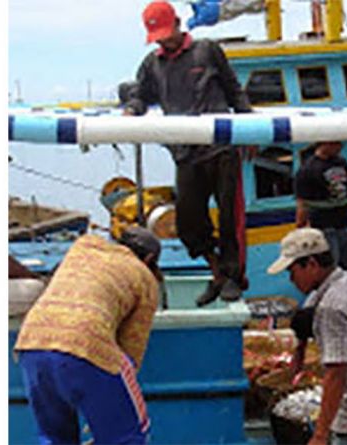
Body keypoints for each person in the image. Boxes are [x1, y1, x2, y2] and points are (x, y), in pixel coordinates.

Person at [121, 1, 252, 307]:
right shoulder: (152, 64)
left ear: (178, 24)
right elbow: (140, 95)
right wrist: (130, 111)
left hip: (220, 148)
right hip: (185, 152)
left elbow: (234, 91)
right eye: (159, 37)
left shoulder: (207, 51)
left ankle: (234, 276)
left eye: (167, 34)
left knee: (231, 217)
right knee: (189, 223)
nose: (165, 41)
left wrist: (249, 128)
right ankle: (217, 270)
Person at [14, 227, 163, 444]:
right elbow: (130, 353)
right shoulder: (144, 278)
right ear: (149, 258)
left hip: (31, 343)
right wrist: (107, 403)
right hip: (86, 345)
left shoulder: (83, 248)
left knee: (54, 438)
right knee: (128, 437)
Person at [268, 228, 347, 445]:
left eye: (292, 271)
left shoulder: (332, 308)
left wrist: (320, 435)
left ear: (311, 264)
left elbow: (336, 373)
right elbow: (308, 311)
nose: (291, 279)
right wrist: (300, 348)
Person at [294, 140, 347, 274]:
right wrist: (299, 231)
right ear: (326, 142)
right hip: (324, 229)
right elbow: (302, 204)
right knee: (330, 273)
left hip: (346, 225)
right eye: (338, 143)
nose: (341, 146)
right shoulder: (307, 170)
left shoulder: (341, 162)